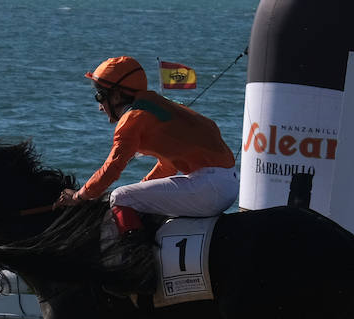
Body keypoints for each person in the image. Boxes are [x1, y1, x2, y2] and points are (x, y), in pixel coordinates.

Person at [57, 55, 238, 254]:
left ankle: (136, 258)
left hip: (209, 188)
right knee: (129, 196)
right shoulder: (159, 104)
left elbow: (112, 168)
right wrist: (142, 187)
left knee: (120, 196)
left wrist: (79, 196)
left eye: (100, 97)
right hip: (227, 184)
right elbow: (168, 165)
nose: (100, 106)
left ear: (116, 96)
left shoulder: (132, 119)